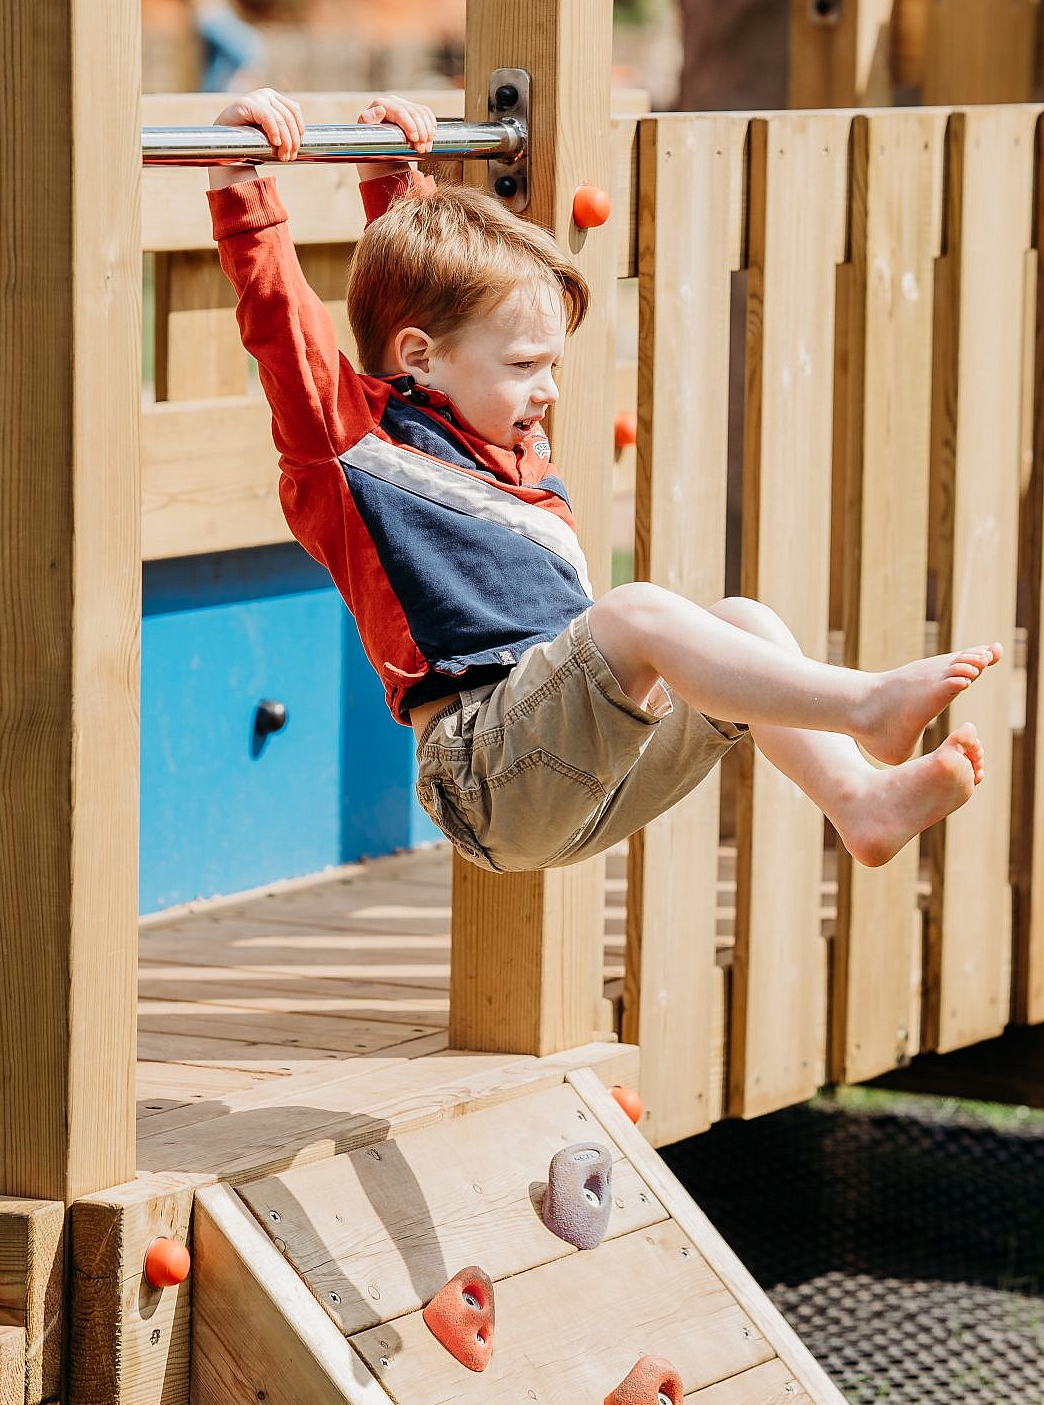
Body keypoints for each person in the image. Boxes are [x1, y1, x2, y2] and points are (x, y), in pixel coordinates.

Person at [207, 88, 999, 875]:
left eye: (550, 365)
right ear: (419, 358)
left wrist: (395, 171)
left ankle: (859, 800)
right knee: (638, 613)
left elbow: (432, 281)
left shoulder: (499, 434)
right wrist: (236, 172)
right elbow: (281, 323)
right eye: (523, 367)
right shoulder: (353, 445)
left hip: (594, 772)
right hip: (486, 776)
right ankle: (865, 705)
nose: (547, 390)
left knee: (746, 621)